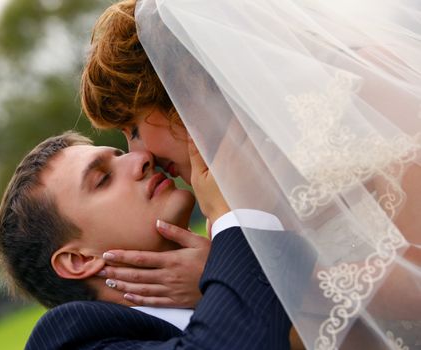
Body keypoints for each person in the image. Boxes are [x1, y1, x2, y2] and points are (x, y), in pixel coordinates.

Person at [81, 0, 421, 348]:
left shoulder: (365, 90)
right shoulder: (228, 206)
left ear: (177, 89)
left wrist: (250, 277)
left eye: (133, 128)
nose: (140, 156)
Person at [0, 131, 297, 349]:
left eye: (121, 155)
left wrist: (213, 284)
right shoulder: (69, 339)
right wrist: (232, 219)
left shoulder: (220, 283)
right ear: (79, 260)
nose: (141, 157)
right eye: (103, 179)